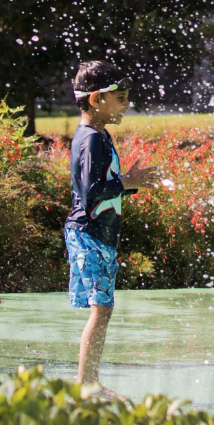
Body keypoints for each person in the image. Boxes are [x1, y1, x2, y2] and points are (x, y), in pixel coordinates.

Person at [66, 59, 156, 398]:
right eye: (120, 97)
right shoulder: (91, 141)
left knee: (103, 308)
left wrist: (127, 184)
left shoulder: (98, 136)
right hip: (88, 233)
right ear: (96, 100)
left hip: (96, 235)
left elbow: (102, 187)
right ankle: (86, 383)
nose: (127, 104)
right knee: (101, 309)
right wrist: (127, 181)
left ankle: (89, 381)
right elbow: (90, 194)